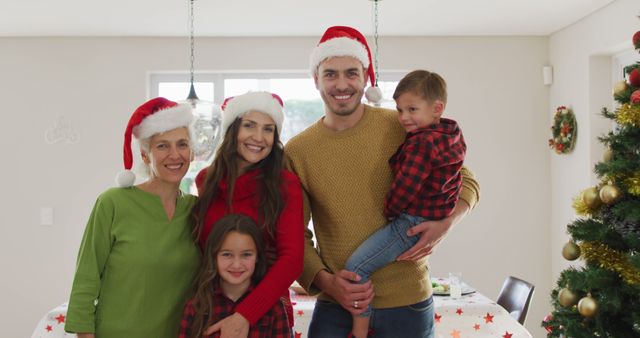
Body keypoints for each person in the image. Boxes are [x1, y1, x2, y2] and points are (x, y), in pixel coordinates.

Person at [284, 26, 480, 338]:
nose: (342, 83)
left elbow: (465, 179)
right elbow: (293, 232)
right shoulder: (297, 150)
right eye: (330, 74)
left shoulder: (401, 124)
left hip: (407, 302)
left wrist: (448, 222)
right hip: (338, 303)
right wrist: (325, 281)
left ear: (366, 78)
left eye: (351, 72)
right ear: (316, 80)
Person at [344, 69, 466, 338]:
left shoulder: (420, 144)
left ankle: (360, 332)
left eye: (412, 109)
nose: (403, 118)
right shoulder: (451, 134)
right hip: (428, 216)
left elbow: (405, 188)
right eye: (399, 110)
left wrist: (390, 212)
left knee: (355, 269)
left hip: (410, 222)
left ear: (437, 108)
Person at [65, 97, 200, 338]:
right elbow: (86, 276)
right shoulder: (113, 203)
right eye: (162, 146)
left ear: (192, 153)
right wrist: (84, 333)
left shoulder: (197, 210)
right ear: (146, 156)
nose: (174, 154)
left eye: (182, 144)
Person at [191, 91, 304, 337]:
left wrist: (245, 315)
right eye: (249, 126)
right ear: (233, 130)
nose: (258, 137)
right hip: (213, 307)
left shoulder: (284, 184)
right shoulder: (206, 181)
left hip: (266, 310)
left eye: (268, 129)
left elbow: (292, 259)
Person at [178, 214, 291, 338]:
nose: (236, 265)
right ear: (214, 256)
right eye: (227, 254)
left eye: (246, 255)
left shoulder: (275, 309)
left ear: (257, 256)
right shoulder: (196, 307)